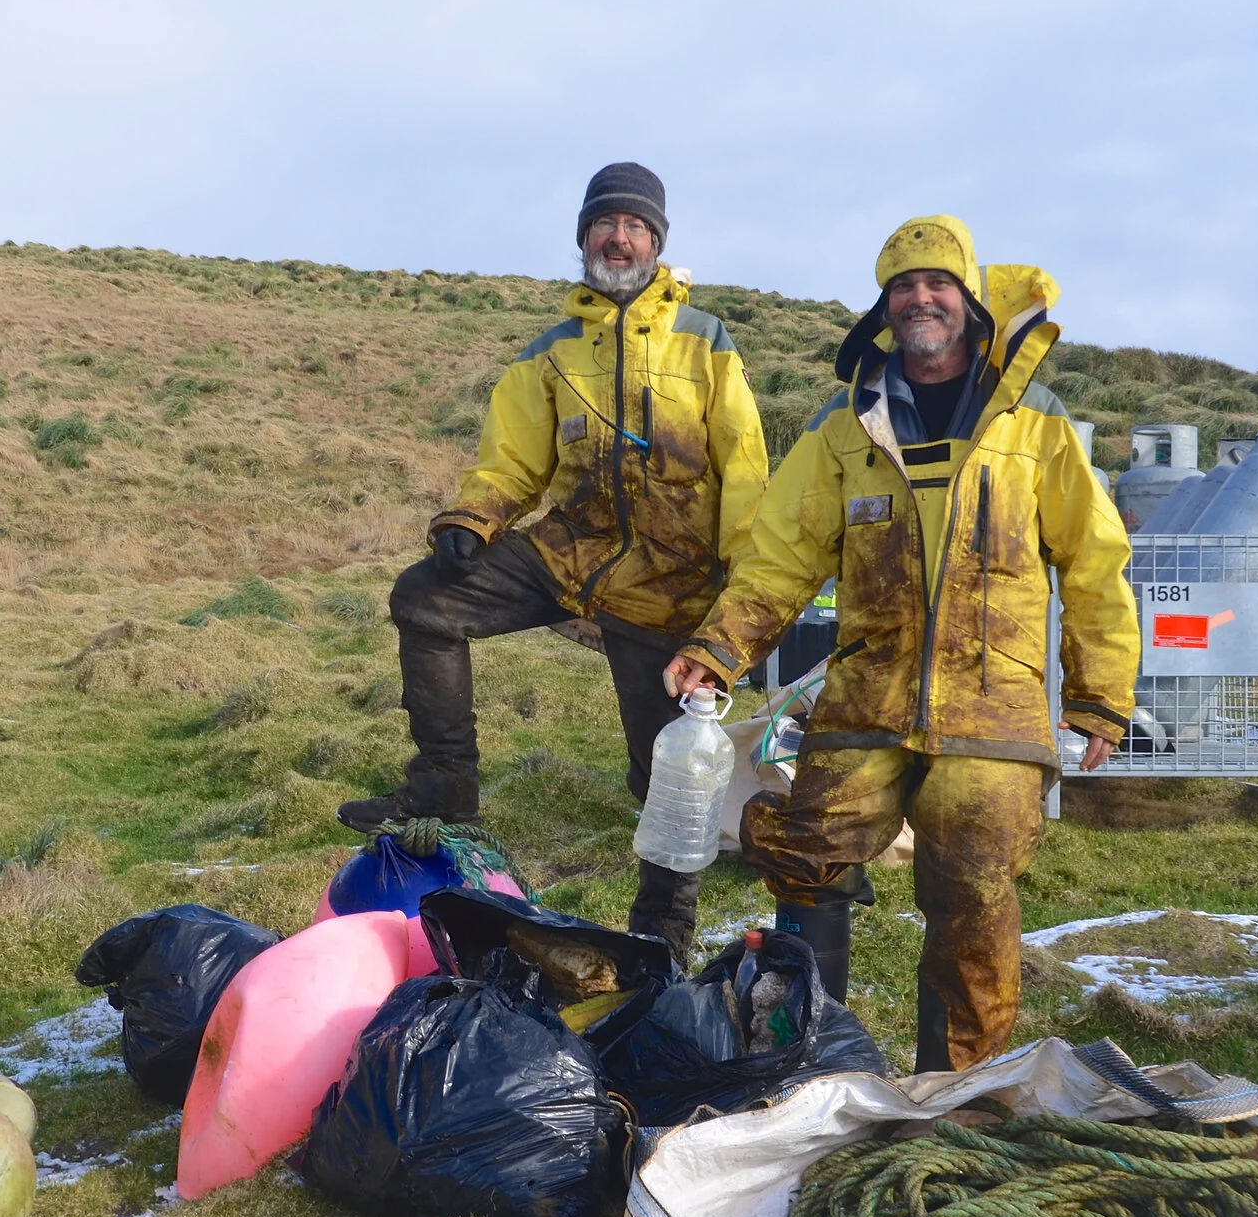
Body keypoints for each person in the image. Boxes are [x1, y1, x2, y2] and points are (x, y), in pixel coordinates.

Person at [664, 215, 1137, 1072]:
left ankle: (950, 1092)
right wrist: (720, 647)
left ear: (969, 302)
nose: (920, 298)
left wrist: (1100, 692)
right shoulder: (842, 426)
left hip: (992, 708)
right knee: (803, 855)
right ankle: (810, 1060)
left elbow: (1096, 562)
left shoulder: (1035, 423)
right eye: (902, 285)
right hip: (867, 699)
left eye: (938, 283)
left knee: (970, 891)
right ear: (884, 307)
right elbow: (780, 553)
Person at [339, 162, 769, 963]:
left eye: (635, 226)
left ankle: (660, 940)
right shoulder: (551, 355)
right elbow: (512, 461)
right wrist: (476, 516)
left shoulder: (706, 343)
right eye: (604, 224)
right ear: (583, 241)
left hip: (668, 583)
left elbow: (746, 473)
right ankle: (446, 785)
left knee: (663, 775)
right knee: (426, 600)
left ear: (657, 242)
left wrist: (739, 602)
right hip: (570, 552)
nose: (619, 237)